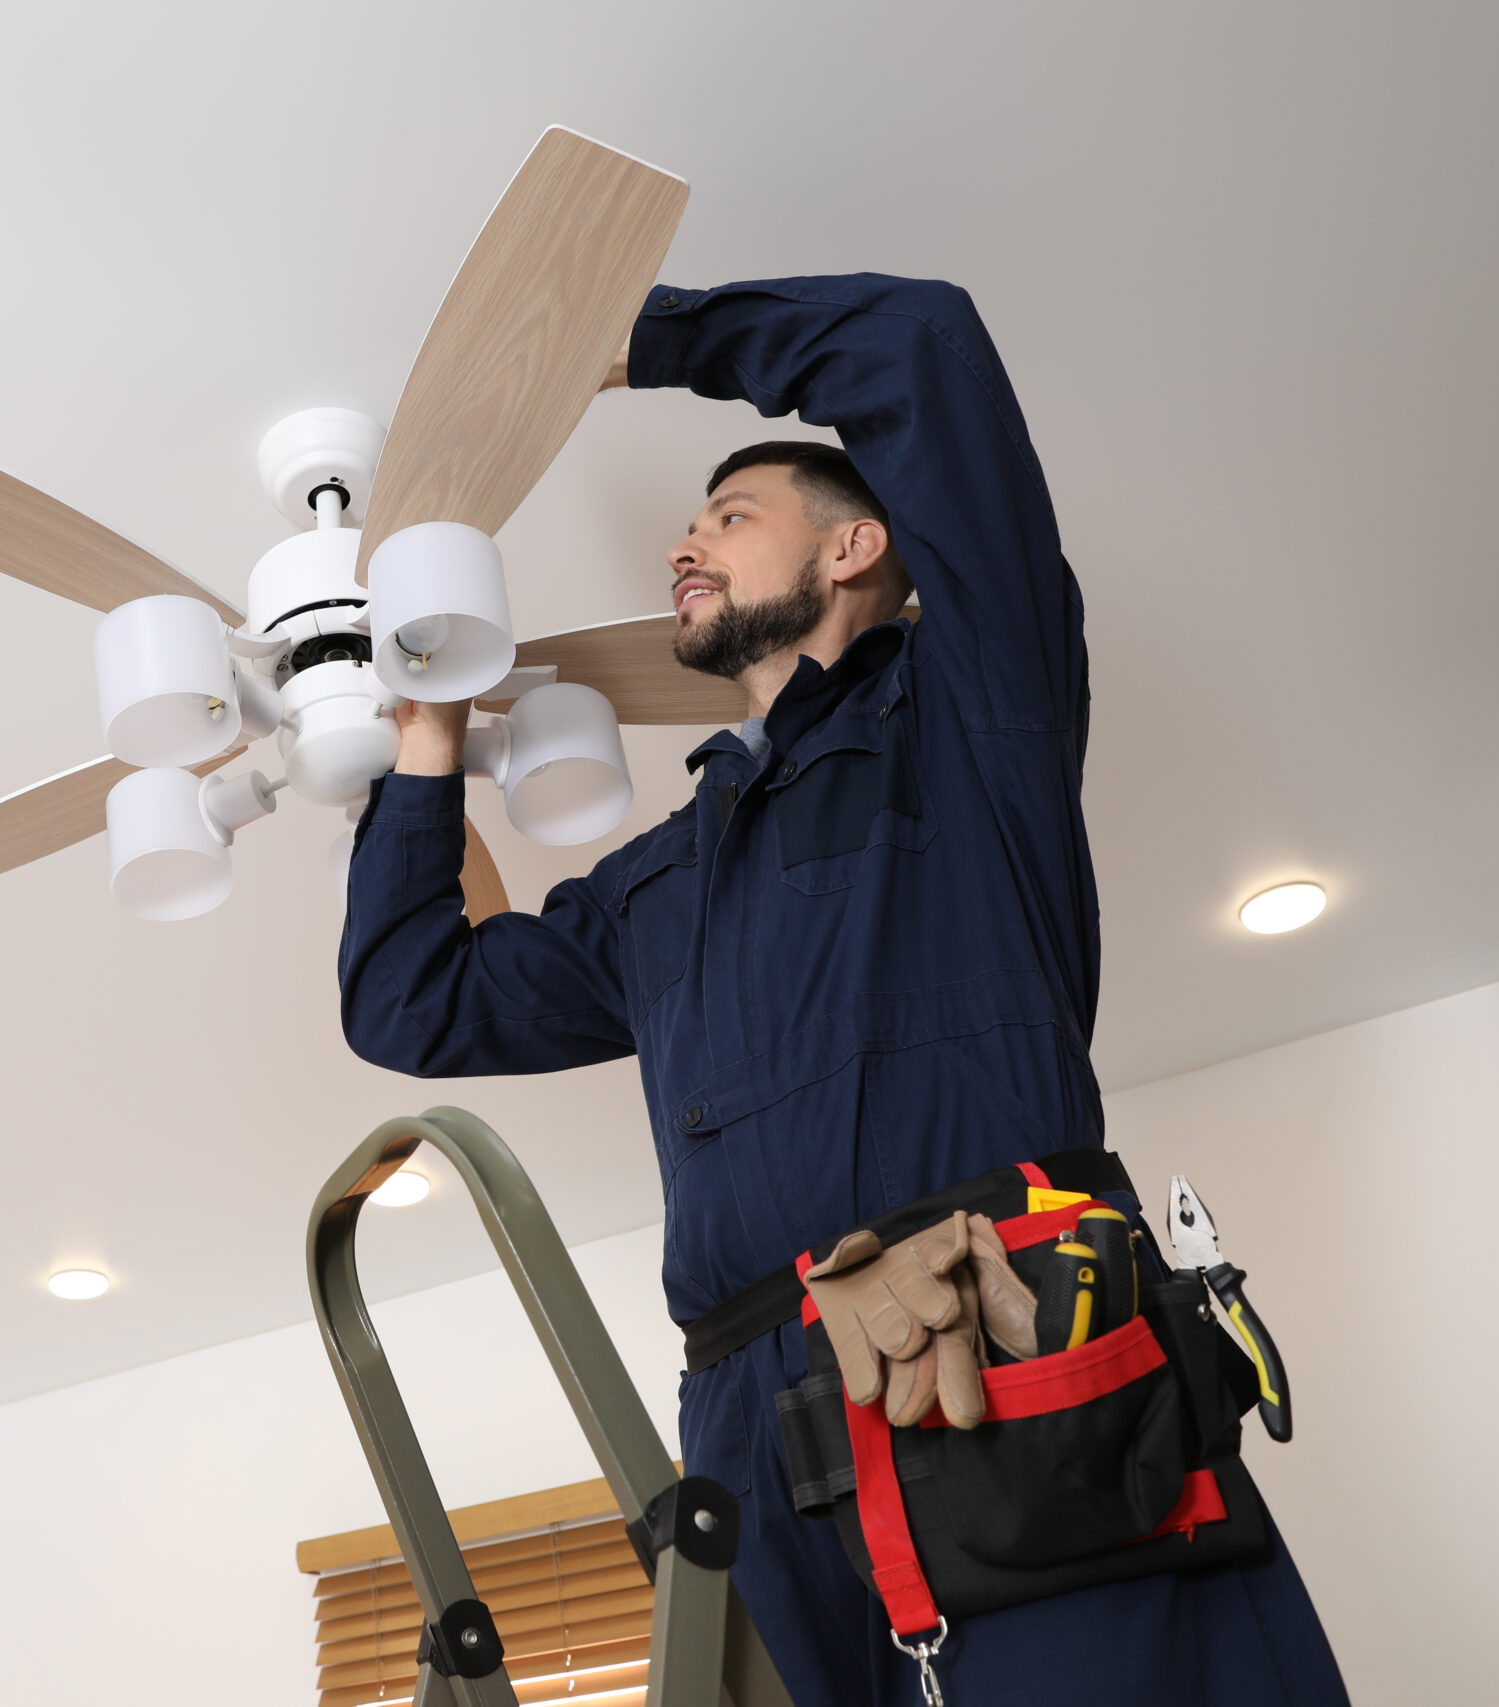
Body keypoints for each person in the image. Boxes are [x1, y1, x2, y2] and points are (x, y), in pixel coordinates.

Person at [337, 275, 1347, 1706]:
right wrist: (424, 736)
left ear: (861, 547)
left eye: (728, 517)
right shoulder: (660, 883)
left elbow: (921, 344)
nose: (684, 545)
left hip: (989, 1323)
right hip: (746, 1418)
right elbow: (411, 999)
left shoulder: (968, 717)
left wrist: (627, 341)